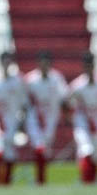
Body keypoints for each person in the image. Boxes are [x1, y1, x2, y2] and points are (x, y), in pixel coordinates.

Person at [0, 51, 28, 185]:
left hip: (11, 119)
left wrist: (22, 120)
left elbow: (23, 102)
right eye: (4, 61)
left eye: (8, 61)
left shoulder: (18, 80)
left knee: (9, 152)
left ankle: (6, 182)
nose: (6, 64)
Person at [25, 51, 68, 185]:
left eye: (46, 63)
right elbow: (24, 100)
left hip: (50, 118)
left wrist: (66, 115)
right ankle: (40, 179)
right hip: (35, 119)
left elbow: (64, 97)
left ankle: (42, 179)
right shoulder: (30, 80)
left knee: (46, 149)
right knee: (39, 147)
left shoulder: (56, 78)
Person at [69, 52, 97, 184]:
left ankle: (93, 180)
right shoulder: (77, 86)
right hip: (83, 123)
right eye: (86, 65)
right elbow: (66, 102)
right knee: (86, 149)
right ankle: (86, 180)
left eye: (90, 65)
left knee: (96, 154)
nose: (89, 68)